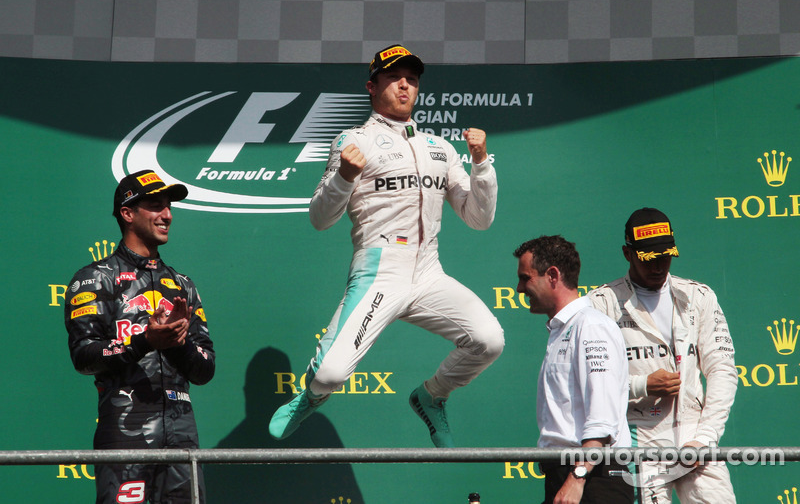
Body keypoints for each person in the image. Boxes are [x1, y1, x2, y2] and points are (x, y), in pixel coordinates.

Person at [268, 44, 505, 447]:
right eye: (395, 78)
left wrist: (481, 162)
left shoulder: (440, 147)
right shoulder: (353, 140)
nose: (404, 85)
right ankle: (310, 396)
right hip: (380, 270)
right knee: (329, 376)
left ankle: (431, 396)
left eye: (412, 80)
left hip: (429, 272)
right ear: (371, 86)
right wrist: (344, 174)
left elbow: (479, 218)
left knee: (489, 340)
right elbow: (320, 218)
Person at [65, 170, 216, 504]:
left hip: (182, 434)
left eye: (169, 207)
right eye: (156, 206)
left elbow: (205, 370)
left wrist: (177, 342)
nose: (167, 215)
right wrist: (146, 341)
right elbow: (84, 355)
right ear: (128, 213)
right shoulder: (94, 279)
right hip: (124, 430)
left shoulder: (183, 285)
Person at [588, 208, 738, 503]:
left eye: (665, 256)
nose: (658, 266)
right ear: (627, 254)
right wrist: (643, 385)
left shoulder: (699, 297)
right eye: (648, 259)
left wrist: (705, 438)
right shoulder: (600, 304)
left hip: (697, 437)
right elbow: (589, 383)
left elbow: (722, 370)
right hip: (638, 440)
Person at [514, 235, 633, 504]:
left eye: (526, 278)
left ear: (553, 275)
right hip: (571, 475)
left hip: (592, 479)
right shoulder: (564, 329)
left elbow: (602, 418)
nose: (520, 288)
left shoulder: (590, 326)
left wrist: (577, 478)